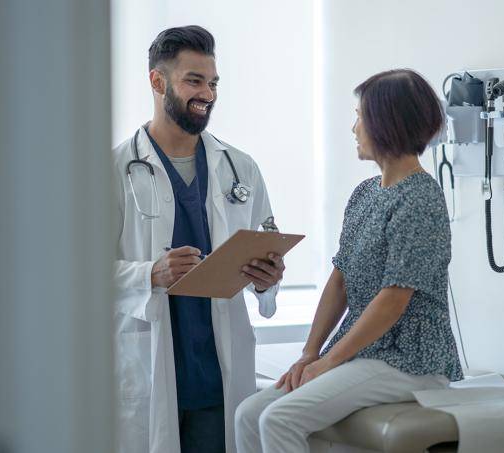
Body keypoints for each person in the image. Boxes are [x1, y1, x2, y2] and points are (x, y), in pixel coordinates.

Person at [234, 69, 464, 453]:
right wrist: (310, 353)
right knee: (247, 414)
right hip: (366, 352)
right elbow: (339, 281)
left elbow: (393, 300)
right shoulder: (364, 194)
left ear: (385, 123)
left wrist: (328, 362)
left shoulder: (421, 199)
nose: (354, 127)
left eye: (360, 116)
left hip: (411, 360)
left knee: (280, 417)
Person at [112, 26, 285, 453]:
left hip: (216, 371)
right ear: (157, 82)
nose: (207, 93)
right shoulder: (114, 169)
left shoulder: (240, 167)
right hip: (149, 364)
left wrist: (267, 277)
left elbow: (266, 244)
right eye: (194, 80)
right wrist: (150, 272)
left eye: (213, 83)